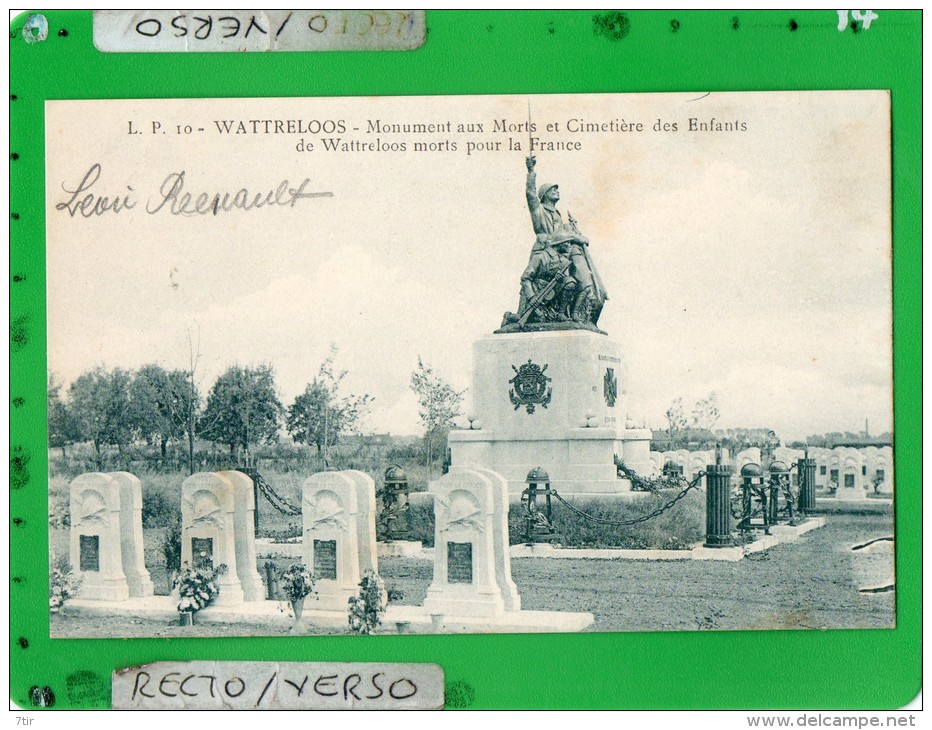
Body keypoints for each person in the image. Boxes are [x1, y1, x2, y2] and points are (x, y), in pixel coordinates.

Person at [524, 156, 607, 323]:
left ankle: (569, 314)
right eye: (553, 190)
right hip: (544, 253)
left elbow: (562, 237)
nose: (557, 191)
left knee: (574, 281)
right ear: (545, 194)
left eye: (557, 189)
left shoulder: (558, 215)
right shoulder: (539, 210)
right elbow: (530, 194)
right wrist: (531, 171)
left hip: (560, 254)